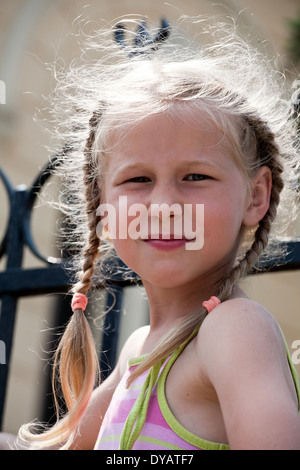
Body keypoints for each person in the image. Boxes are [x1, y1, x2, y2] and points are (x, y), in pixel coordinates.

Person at [4, 16, 300, 450]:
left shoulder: (233, 329)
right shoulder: (140, 349)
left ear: (256, 197)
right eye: (137, 180)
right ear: (102, 206)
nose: (163, 206)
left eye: (196, 177)